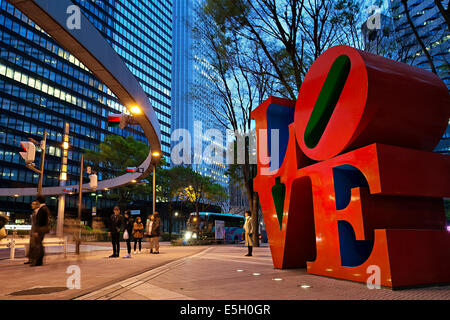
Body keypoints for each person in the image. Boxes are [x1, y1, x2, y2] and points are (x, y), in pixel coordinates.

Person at [29, 196, 50, 266]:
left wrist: (36, 231)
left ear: (39, 201)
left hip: (40, 229)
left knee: (38, 245)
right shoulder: (45, 208)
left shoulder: (42, 209)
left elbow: (40, 221)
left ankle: (38, 261)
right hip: (42, 229)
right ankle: (38, 261)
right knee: (39, 245)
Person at [24, 200, 39, 264]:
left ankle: (34, 260)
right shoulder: (34, 212)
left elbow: (38, 223)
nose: (31, 205)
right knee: (31, 246)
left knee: (34, 246)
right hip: (32, 232)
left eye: (33, 204)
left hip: (36, 232)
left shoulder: (38, 213)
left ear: (37, 205)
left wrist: (36, 232)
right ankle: (30, 259)